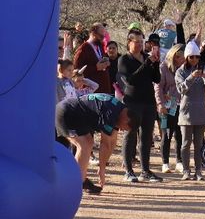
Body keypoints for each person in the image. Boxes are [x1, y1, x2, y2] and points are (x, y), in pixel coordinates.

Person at [55, 93, 139, 194]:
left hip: (77, 117)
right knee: (85, 144)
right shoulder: (111, 113)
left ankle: (80, 180)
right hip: (67, 112)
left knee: (83, 144)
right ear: (126, 120)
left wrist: (102, 168)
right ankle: (76, 182)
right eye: (124, 128)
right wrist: (102, 169)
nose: (121, 129)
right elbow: (105, 144)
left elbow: (112, 141)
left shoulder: (120, 110)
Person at [118, 31, 162, 183]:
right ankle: (128, 171)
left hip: (149, 102)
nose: (139, 45)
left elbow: (157, 79)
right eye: (136, 41)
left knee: (146, 136)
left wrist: (155, 63)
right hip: (132, 102)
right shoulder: (124, 59)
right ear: (129, 42)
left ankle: (145, 170)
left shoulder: (146, 57)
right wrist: (147, 63)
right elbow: (130, 80)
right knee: (130, 134)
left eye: (141, 42)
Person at [175, 41, 205, 181]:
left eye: (196, 57)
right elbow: (181, 89)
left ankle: (198, 171)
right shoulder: (180, 71)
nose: (194, 59)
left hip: (201, 111)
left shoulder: (204, 70)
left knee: (198, 144)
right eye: (191, 57)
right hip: (186, 112)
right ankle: (186, 170)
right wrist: (191, 77)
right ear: (186, 57)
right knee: (185, 143)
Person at [155, 44, 184, 174]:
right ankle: (165, 163)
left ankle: (179, 161)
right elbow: (158, 87)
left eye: (182, 57)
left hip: (182, 105)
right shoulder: (163, 67)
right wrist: (160, 103)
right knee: (166, 134)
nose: (180, 59)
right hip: (167, 105)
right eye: (177, 56)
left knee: (180, 134)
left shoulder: (184, 68)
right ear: (172, 55)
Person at [73, 23, 111, 97]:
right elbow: (76, 70)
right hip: (91, 93)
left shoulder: (100, 46)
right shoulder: (83, 49)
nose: (103, 37)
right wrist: (95, 68)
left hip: (104, 89)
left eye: (104, 34)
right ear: (94, 33)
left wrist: (106, 63)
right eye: (101, 35)